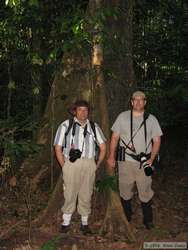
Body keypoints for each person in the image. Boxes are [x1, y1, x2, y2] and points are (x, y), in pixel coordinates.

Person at [107, 91, 163, 230]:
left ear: (145, 102)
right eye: (135, 100)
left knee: (145, 189)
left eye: (141, 100)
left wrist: (152, 158)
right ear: (131, 102)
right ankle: (127, 216)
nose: (138, 102)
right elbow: (114, 138)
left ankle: (148, 220)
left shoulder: (151, 119)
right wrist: (111, 156)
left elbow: (157, 140)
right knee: (125, 189)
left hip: (144, 163)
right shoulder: (122, 117)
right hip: (125, 161)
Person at [54, 100, 106, 235]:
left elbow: (103, 147)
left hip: (89, 163)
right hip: (71, 164)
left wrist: (96, 164)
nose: (83, 113)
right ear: (74, 111)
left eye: (85, 110)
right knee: (69, 193)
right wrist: (64, 166)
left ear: (88, 112)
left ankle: (85, 224)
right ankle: (65, 223)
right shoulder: (66, 125)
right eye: (80, 110)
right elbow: (58, 147)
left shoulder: (94, 126)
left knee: (86, 193)